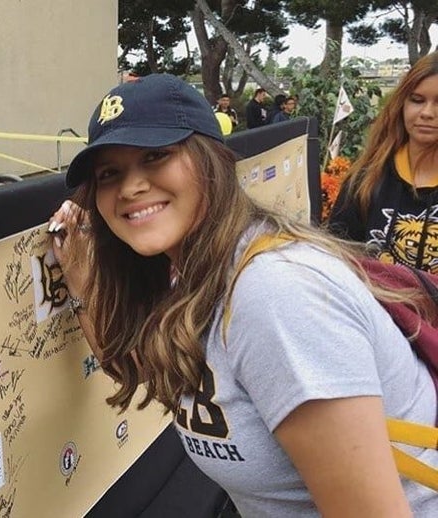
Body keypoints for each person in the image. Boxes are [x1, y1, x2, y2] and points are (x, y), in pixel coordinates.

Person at [48, 73, 438, 516]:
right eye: (109, 174)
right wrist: (83, 285)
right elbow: (153, 372)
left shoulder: (276, 294)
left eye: (156, 156)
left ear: (211, 160)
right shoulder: (191, 271)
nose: (131, 187)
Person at [328, 51, 438, 273]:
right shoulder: (366, 180)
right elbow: (335, 264)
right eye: (417, 100)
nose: (427, 113)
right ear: (401, 105)